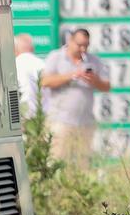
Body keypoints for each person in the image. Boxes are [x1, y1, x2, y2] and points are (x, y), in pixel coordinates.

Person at [38, 27, 111, 161]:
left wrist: (95, 80)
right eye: (79, 45)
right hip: (60, 121)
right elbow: (45, 81)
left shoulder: (93, 61)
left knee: (83, 165)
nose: (83, 49)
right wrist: (72, 75)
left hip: (85, 122)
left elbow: (106, 86)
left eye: (86, 45)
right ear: (70, 41)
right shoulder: (56, 57)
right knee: (56, 160)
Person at [14, 33, 44, 116]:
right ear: (32, 48)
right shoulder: (41, 64)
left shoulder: (15, 64)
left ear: (15, 49)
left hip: (22, 112)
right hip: (40, 114)